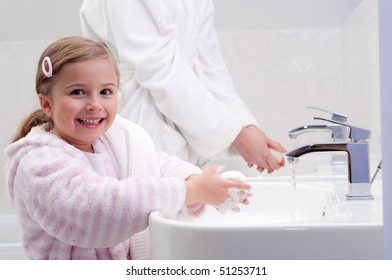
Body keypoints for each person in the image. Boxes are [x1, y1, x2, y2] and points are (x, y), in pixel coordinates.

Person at [4, 36, 251, 260]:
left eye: (105, 91)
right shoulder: (39, 161)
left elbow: (155, 164)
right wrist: (190, 190)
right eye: (78, 92)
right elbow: (97, 209)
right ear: (47, 104)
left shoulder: (113, 141)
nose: (94, 104)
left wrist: (198, 180)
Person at [80, 0, 286, 173]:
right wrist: (236, 134)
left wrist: (244, 126)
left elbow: (209, 61)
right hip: (141, 118)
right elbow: (157, 65)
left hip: (186, 125)